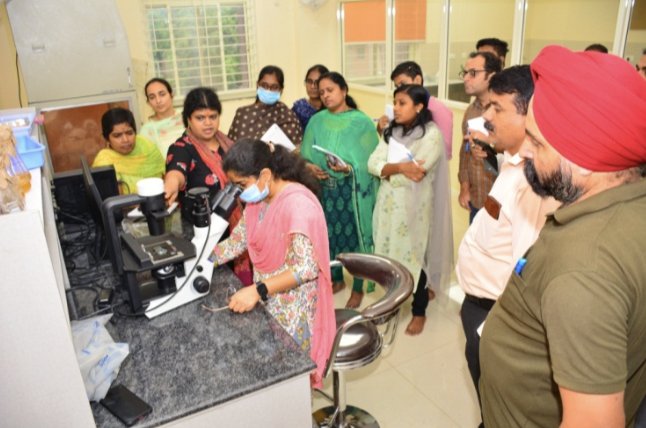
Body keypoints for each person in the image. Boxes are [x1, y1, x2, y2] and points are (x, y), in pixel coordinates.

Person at [480, 45, 646, 428]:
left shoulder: (583, 273)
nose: (525, 149)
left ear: (585, 159)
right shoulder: (627, 203)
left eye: (537, 142)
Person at [455, 65, 560, 428]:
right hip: (479, 308)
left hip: (494, 317)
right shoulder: (514, 164)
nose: (486, 115)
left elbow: (527, 271)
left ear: (528, 114)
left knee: (500, 414)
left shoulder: (533, 183)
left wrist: (490, 335)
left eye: (497, 108)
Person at [208, 139, 335, 389]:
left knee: (290, 384)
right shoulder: (259, 200)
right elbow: (239, 240)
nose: (239, 191)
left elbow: (305, 268)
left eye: (241, 184)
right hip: (270, 302)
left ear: (265, 174)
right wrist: (203, 261)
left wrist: (258, 290)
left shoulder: (297, 205)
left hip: (294, 310)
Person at [368, 84, 453, 335]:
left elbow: (418, 174)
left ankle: (419, 311)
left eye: (402, 102)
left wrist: (390, 171)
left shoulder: (432, 135)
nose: (396, 107)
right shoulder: (391, 131)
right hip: (387, 207)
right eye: (395, 102)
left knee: (416, 256)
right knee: (386, 255)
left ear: (419, 106)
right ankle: (389, 305)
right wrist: (401, 168)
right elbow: (372, 163)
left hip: (414, 207)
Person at [300, 71, 380, 306]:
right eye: (321, 91)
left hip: (351, 194)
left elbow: (372, 162)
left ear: (344, 90)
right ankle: (336, 279)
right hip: (325, 190)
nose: (325, 95)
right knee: (328, 236)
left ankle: (358, 287)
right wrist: (311, 168)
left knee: (354, 239)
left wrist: (350, 169)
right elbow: (305, 155)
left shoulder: (362, 122)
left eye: (330, 90)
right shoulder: (317, 120)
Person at [164, 87, 252, 285]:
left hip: (238, 233)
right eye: (200, 117)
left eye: (213, 116)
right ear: (188, 119)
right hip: (206, 237)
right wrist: (170, 186)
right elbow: (175, 173)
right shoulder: (182, 148)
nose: (208, 123)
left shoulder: (229, 144)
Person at [376, 61, 454, 160]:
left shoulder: (439, 110)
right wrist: (382, 129)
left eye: (403, 84)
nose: (400, 89)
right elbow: (396, 142)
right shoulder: (401, 108)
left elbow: (445, 152)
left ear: (417, 80)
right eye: (397, 87)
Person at [458, 52, 502, 223]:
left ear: (491, 76)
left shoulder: (506, 112)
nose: (466, 79)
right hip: (476, 200)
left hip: (500, 204)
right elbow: (465, 152)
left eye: (473, 73)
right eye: (465, 73)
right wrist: (464, 187)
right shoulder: (471, 110)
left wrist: (489, 145)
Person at [93, 107, 165, 195]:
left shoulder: (146, 146)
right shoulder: (105, 161)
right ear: (107, 139)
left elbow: (165, 178)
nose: (125, 140)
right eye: (117, 135)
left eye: (129, 133)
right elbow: (117, 202)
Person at [228, 65, 303, 148]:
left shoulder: (287, 116)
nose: (268, 90)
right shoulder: (243, 114)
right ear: (257, 85)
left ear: (281, 90)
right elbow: (232, 147)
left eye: (274, 87)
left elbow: (295, 151)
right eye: (264, 85)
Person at [140, 78, 185, 158]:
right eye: (152, 97)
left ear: (171, 95)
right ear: (148, 102)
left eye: (162, 94)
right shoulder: (147, 131)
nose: (158, 100)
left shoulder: (187, 117)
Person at [292, 64, 329, 131]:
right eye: (309, 81)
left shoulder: (331, 108)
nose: (312, 86)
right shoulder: (299, 108)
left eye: (317, 82)